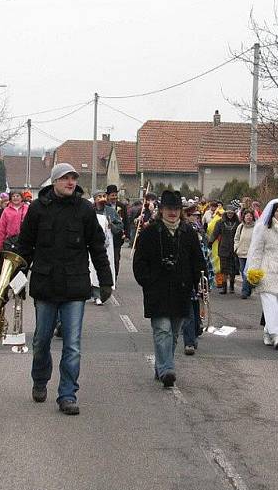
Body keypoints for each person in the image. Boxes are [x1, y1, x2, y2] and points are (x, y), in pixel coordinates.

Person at [17, 163, 112, 416]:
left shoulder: (85, 209)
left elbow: (97, 248)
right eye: (65, 178)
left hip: (75, 286)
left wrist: (105, 282)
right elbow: (24, 248)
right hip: (45, 285)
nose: (70, 182)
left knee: (72, 344)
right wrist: (15, 282)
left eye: (73, 178)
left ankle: (67, 394)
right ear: (54, 182)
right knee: (41, 340)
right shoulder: (37, 209)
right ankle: (39, 379)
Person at [133, 191, 203, 387]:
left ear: (180, 211)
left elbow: (198, 261)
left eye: (176, 209)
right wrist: (148, 282)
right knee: (162, 330)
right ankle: (167, 370)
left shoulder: (188, 232)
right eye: (168, 209)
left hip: (181, 290)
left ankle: (162, 366)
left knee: (173, 333)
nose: (172, 212)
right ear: (161, 210)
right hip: (157, 290)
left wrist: (198, 282)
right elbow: (139, 262)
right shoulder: (150, 232)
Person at [244, 199, 278, 349]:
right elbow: (256, 250)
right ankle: (276, 335)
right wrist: (253, 270)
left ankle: (268, 332)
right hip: (266, 268)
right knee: (270, 303)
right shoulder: (263, 228)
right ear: (272, 212)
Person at [182, 206, 213, 355]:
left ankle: (194, 333)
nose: (196, 217)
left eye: (197, 215)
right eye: (193, 214)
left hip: (198, 271)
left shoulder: (199, 229)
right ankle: (189, 342)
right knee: (187, 308)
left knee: (196, 306)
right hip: (185, 273)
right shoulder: (184, 230)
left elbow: (204, 251)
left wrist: (206, 275)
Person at [211, 204, 240, 294]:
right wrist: (210, 242)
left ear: (234, 214)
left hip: (234, 248)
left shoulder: (238, 224)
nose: (230, 214)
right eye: (228, 213)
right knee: (224, 269)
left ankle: (231, 287)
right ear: (226, 213)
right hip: (223, 248)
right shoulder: (220, 222)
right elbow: (215, 233)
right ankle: (224, 288)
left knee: (233, 269)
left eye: (232, 213)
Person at [106, 185, 127, 278]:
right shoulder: (104, 206)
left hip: (118, 236)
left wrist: (126, 233)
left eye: (115, 195)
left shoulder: (121, 206)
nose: (114, 197)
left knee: (116, 259)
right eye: (112, 195)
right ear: (108, 196)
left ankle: (114, 277)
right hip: (106, 236)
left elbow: (126, 220)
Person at [234, 210, 255, 299]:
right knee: (243, 273)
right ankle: (247, 290)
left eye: (250, 216)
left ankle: (245, 291)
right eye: (247, 216)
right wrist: (236, 247)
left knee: (248, 273)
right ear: (244, 217)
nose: (248, 218)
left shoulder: (256, 227)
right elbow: (236, 238)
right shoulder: (240, 227)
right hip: (241, 253)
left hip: (251, 254)